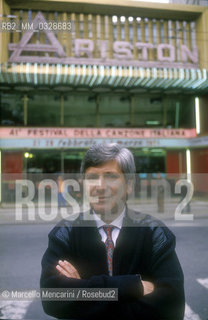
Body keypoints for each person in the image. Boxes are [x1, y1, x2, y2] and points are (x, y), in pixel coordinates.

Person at [40, 143, 185, 320]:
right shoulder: (65, 232)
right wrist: (131, 287)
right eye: (92, 177)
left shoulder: (155, 233)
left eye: (110, 176)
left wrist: (83, 291)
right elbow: (52, 299)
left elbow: (172, 307)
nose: (100, 186)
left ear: (129, 184)